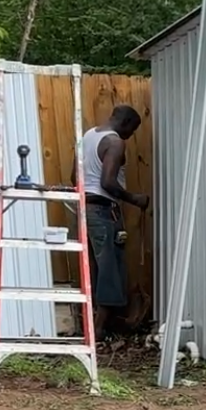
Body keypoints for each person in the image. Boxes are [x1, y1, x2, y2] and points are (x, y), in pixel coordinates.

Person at [77, 105, 149, 339]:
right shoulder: (116, 143)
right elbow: (108, 182)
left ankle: (94, 325)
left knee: (94, 268)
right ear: (126, 123)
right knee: (110, 269)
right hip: (103, 211)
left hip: (83, 209)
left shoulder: (88, 136)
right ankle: (97, 330)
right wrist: (134, 199)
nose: (130, 135)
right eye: (133, 130)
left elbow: (73, 176)